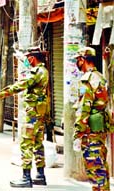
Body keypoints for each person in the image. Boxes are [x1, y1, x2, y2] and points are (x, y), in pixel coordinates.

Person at [0, 47, 49, 188]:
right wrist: (22, 60)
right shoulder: (43, 71)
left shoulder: (37, 72)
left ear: (32, 58)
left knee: (26, 143)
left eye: (27, 58)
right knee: (38, 144)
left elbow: (20, 85)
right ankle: (40, 175)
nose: (26, 60)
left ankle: (26, 178)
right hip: (39, 113)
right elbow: (29, 76)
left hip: (32, 114)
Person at [73, 47, 111, 191]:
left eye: (78, 60)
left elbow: (84, 108)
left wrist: (78, 132)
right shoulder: (100, 76)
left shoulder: (87, 80)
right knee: (101, 164)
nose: (77, 63)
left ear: (83, 60)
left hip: (90, 130)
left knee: (94, 166)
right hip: (100, 127)